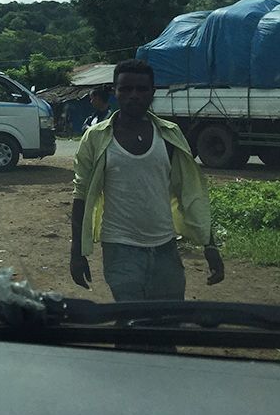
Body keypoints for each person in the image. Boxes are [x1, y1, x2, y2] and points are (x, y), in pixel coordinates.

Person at [70, 59, 225, 301]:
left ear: (152, 93)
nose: (134, 95)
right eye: (126, 89)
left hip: (166, 248)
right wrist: (76, 253)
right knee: (131, 325)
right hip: (119, 248)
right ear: (115, 92)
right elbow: (81, 195)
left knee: (166, 325)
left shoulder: (170, 135)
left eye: (141, 89)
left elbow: (191, 194)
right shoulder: (96, 138)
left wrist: (210, 245)